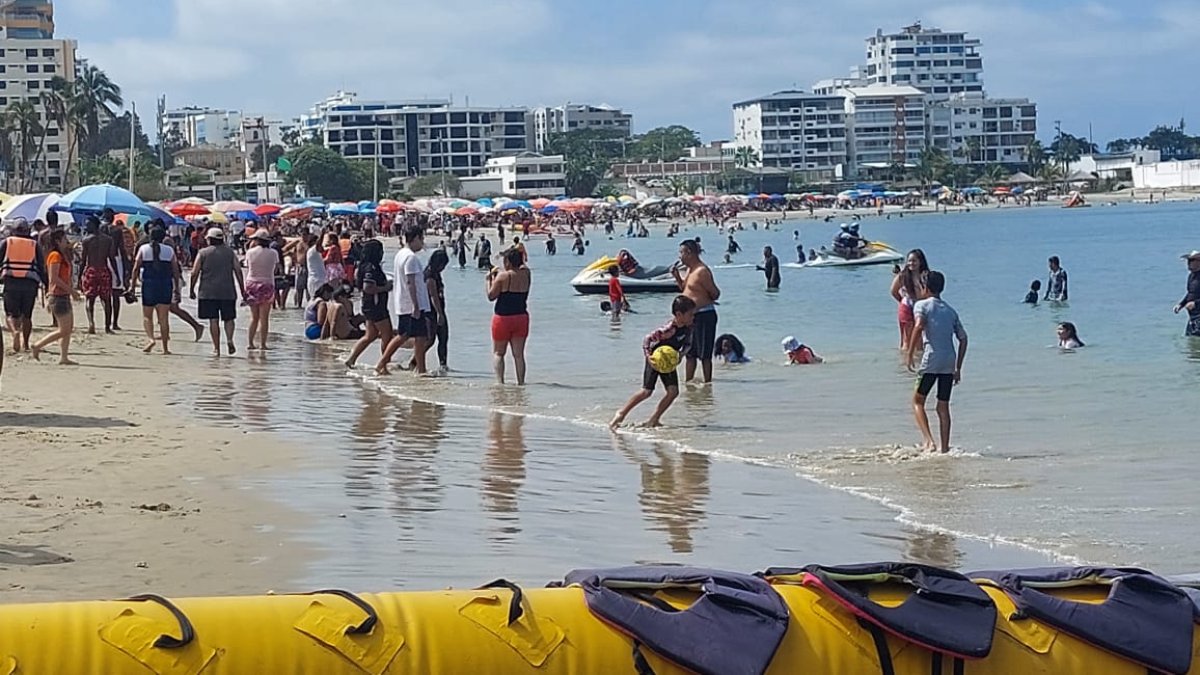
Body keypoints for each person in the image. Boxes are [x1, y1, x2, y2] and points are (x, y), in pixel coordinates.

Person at [609, 294, 696, 429]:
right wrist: (648, 356)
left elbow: (688, 345)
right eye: (690, 314)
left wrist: (681, 355)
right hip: (656, 359)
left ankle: (654, 419)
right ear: (679, 314)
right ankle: (621, 414)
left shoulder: (689, 327)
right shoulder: (668, 329)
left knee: (673, 392)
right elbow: (647, 339)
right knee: (647, 391)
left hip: (668, 361)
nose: (693, 317)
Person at [905, 271, 969, 453]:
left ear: (925, 287)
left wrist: (909, 354)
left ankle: (928, 441)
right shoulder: (950, 310)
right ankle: (945, 447)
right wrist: (958, 367)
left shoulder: (921, 306)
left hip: (931, 359)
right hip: (949, 360)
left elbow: (918, 326)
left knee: (917, 401)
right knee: (942, 405)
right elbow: (963, 339)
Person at [376, 225, 432, 375]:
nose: (422, 243)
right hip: (412, 304)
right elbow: (410, 282)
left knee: (419, 337)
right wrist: (416, 305)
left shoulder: (401, 254)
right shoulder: (410, 257)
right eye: (421, 239)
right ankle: (382, 363)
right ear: (414, 239)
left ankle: (421, 369)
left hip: (404, 303)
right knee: (404, 335)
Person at [190, 227, 246, 357]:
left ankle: (216, 348)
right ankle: (230, 340)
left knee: (213, 320)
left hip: (208, 292)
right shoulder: (230, 253)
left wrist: (192, 289)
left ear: (210, 239)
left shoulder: (203, 253)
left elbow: (194, 272)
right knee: (229, 318)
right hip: (228, 291)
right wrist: (242, 290)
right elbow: (238, 271)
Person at [672, 239, 720, 384]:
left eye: (681, 252)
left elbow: (715, 293)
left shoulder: (702, 271)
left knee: (705, 354)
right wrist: (676, 276)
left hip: (704, 315)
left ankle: (707, 384)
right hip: (690, 317)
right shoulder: (689, 270)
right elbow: (685, 288)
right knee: (689, 353)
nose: (679, 256)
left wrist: (703, 301)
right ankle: (689, 383)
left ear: (689, 253)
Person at [30, 228, 80, 365]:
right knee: (64, 329)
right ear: (58, 241)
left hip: (63, 295)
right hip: (58, 296)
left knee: (68, 329)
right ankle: (38, 345)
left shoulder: (62, 255)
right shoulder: (55, 256)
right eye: (64, 239)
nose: (66, 241)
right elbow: (54, 278)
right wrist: (72, 291)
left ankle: (64, 357)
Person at [0, 218, 46, 353]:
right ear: (28, 230)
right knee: (27, 316)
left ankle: (15, 332)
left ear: (13, 230)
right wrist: (47, 284)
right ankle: (25, 344)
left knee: (10, 314)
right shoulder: (34, 244)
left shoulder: (7, 242)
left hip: (11, 281)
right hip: (30, 283)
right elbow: (41, 267)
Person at [129, 227, 179, 354]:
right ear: (163, 237)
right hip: (165, 285)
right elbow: (175, 271)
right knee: (163, 318)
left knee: (147, 316)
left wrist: (132, 287)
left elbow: (135, 269)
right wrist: (176, 288)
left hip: (149, 284)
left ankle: (151, 339)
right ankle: (165, 348)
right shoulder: (169, 250)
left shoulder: (144, 249)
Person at [345, 238, 393, 368]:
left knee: (370, 335)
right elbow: (368, 287)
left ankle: (351, 359)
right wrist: (386, 288)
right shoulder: (371, 268)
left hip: (368, 305)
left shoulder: (362, 266)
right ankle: (383, 365)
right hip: (375, 306)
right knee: (387, 334)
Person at [487, 248, 531, 385]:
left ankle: (500, 382)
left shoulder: (503, 277)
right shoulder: (526, 274)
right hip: (521, 316)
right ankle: (521, 383)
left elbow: (491, 296)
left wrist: (489, 280)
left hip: (503, 318)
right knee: (519, 355)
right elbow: (523, 267)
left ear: (508, 261)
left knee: (499, 353)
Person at [415, 248, 450, 373]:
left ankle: (443, 364)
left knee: (444, 337)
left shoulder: (436, 274)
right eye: (443, 265)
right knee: (430, 340)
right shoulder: (429, 275)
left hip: (440, 309)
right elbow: (433, 296)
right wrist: (440, 314)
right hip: (431, 311)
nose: (443, 268)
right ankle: (415, 361)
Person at [244, 229, 279, 350]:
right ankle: (263, 344)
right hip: (267, 283)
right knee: (264, 318)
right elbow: (275, 268)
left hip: (251, 283)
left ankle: (250, 343)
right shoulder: (273, 253)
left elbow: (247, 265)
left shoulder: (250, 252)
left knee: (254, 317)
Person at [80, 217, 116, 334]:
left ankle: (91, 323)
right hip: (104, 270)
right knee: (106, 299)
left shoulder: (86, 240)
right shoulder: (108, 240)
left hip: (91, 270)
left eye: (88, 224)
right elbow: (112, 258)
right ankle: (107, 326)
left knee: (89, 299)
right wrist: (117, 274)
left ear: (94, 225)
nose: (86, 227)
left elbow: (83, 260)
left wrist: (80, 276)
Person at [890, 249, 929, 351]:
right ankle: (905, 363)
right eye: (909, 261)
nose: (911, 263)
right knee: (907, 339)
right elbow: (893, 291)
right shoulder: (903, 276)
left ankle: (919, 362)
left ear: (921, 261)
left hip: (921, 307)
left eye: (914, 261)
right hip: (907, 306)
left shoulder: (926, 276)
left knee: (920, 340)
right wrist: (902, 302)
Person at [1174, 251, 1200, 337]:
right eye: (1188, 260)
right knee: (1190, 342)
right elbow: (1190, 293)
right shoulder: (1192, 276)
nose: (1188, 263)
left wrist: (1196, 303)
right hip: (1192, 317)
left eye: (1192, 260)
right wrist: (1181, 304)